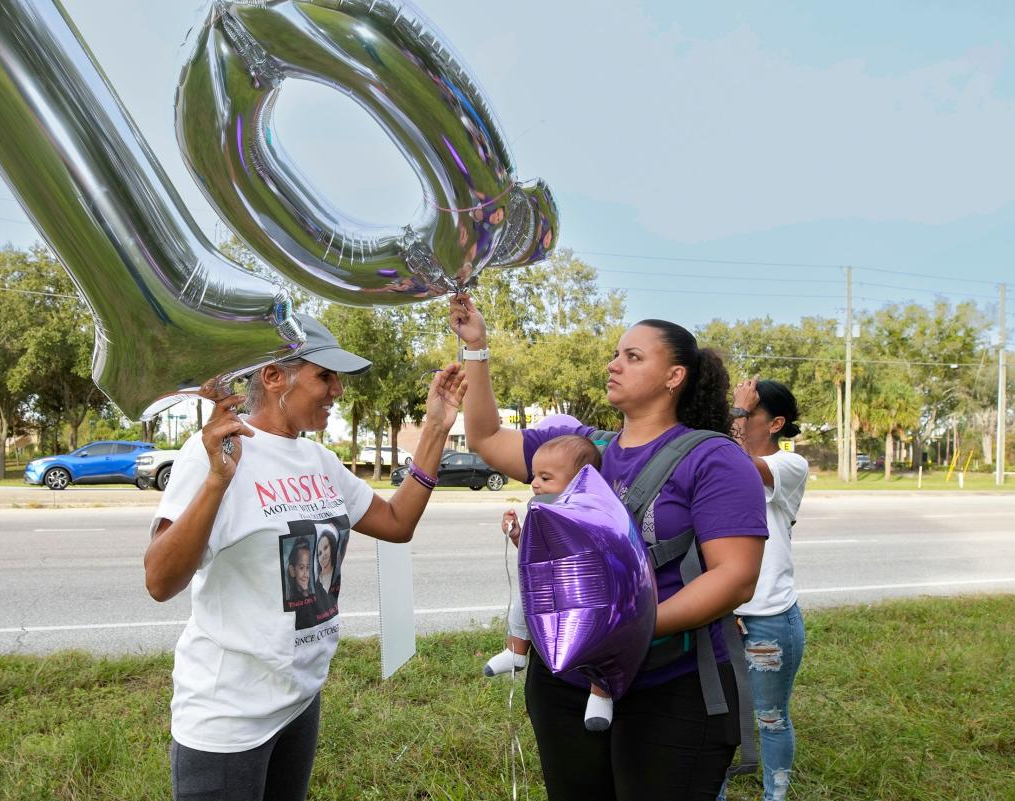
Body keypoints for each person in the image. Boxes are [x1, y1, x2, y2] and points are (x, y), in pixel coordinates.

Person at [450, 293, 768, 801]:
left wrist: (621, 630)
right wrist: (477, 348)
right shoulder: (578, 449)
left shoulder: (713, 459)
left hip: (668, 686)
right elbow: (486, 437)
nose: (613, 364)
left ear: (674, 376)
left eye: (633, 356)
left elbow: (735, 577)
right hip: (565, 685)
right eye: (617, 354)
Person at [144, 313, 467, 801]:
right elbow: (160, 581)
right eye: (325, 375)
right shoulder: (214, 451)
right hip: (229, 714)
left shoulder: (320, 461)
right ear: (274, 377)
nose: (337, 390)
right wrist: (217, 480)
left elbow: (397, 524)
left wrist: (436, 428)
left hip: (299, 700)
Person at [485, 434, 618, 731]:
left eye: (546, 477)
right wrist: (518, 534)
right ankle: (517, 650)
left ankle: (601, 692)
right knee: (523, 604)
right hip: (550, 587)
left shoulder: (588, 512)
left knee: (599, 640)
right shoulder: (540, 510)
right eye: (534, 475)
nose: (535, 483)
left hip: (586, 594)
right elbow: (534, 553)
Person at [719, 377, 809, 801]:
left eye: (746, 412)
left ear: (775, 423)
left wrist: (734, 410)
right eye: (736, 411)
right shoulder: (723, 456)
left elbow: (736, 470)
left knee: (771, 717)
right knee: (718, 715)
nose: (736, 418)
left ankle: (775, 795)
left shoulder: (790, 465)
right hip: (721, 611)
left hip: (770, 616)